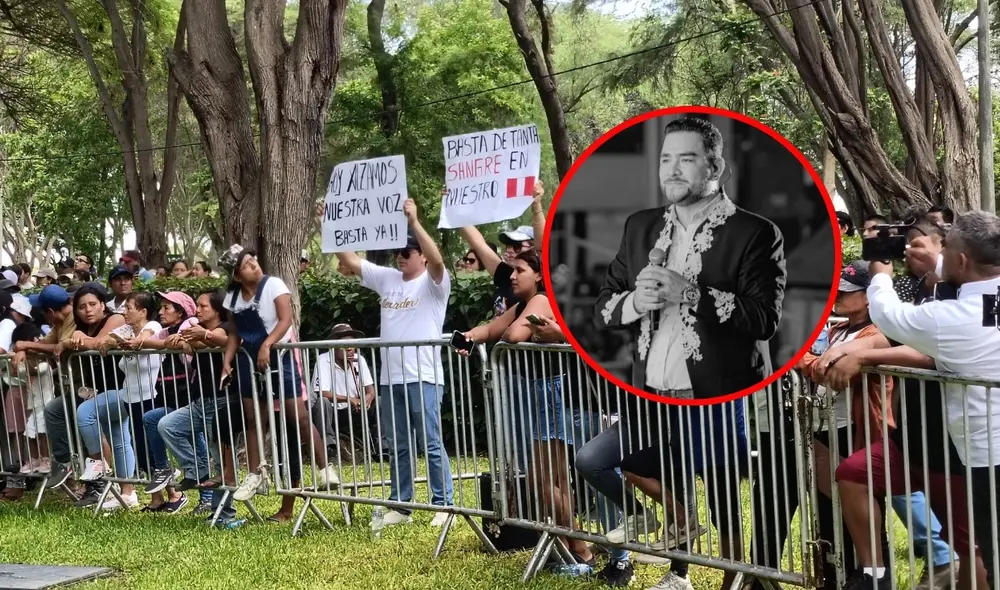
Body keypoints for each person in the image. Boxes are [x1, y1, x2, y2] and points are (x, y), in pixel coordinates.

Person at [826, 211, 1000, 590]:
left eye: (947, 248)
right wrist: (938, 261)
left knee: (987, 553)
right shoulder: (983, 302)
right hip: (956, 446)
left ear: (962, 260)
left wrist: (881, 270)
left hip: (984, 455)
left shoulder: (952, 317)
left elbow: (888, 315)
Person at [594, 116, 786, 401]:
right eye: (665, 159)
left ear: (715, 167)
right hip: (646, 398)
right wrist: (635, 301)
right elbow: (601, 309)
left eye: (686, 160)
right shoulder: (639, 226)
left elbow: (764, 320)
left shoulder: (756, 232)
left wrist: (690, 293)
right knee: (592, 450)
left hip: (719, 400)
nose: (672, 171)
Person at [334, 198, 453, 528]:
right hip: (391, 378)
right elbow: (349, 260)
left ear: (422, 255)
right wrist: (331, 224)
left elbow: (440, 261)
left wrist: (414, 222)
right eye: (398, 251)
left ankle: (445, 504)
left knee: (430, 442)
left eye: (409, 251)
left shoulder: (434, 283)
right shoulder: (387, 278)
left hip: (424, 376)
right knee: (398, 444)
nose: (401, 255)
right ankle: (401, 506)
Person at [217, 246, 338, 514]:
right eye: (247, 264)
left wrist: (268, 345)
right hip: (249, 361)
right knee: (253, 420)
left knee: (299, 415)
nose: (254, 265)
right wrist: (227, 360)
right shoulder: (233, 299)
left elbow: (286, 320)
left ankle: (324, 468)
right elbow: (234, 334)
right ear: (237, 276)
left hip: (280, 357)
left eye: (253, 260)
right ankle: (256, 472)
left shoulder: (274, 284)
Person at [159, 289, 245, 529]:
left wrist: (200, 335)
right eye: (197, 305)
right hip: (199, 403)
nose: (197, 310)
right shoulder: (198, 330)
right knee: (168, 426)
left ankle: (224, 514)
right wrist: (179, 341)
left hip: (222, 402)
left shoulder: (227, 327)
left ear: (217, 310)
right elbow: (178, 340)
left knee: (222, 460)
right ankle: (196, 470)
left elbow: (223, 339)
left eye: (203, 306)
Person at [75, 291, 164, 511]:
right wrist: (106, 341)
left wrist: (134, 342)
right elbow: (104, 340)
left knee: (151, 450)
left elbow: (147, 337)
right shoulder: (126, 329)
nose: (123, 312)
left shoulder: (152, 325)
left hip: (149, 397)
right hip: (128, 397)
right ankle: (129, 494)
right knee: (124, 441)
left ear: (142, 311)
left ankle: (99, 463)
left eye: (129, 308)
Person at [40, 283, 125, 507]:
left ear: (102, 305)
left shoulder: (115, 319)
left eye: (92, 304)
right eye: (81, 306)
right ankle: (66, 461)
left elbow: (99, 344)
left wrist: (70, 341)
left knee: (90, 418)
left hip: (120, 389)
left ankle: (104, 483)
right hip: (92, 390)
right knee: (54, 410)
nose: (87, 310)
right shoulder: (80, 328)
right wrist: (73, 337)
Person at [139, 291, 208, 514]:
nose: (161, 311)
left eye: (167, 307)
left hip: (194, 398)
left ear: (180, 311)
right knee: (151, 418)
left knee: (197, 441)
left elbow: (195, 336)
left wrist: (182, 341)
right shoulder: (168, 332)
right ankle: (163, 469)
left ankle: (207, 495)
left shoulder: (190, 323)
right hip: (174, 400)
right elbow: (151, 341)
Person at [455, 181, 545, 315]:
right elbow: (479, 244)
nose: (509, 250)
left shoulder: (544, 283)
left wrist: (536, 206)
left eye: (516, 246)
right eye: (508, 245)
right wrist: (455, 207)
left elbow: (543, 247)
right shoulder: (507, 275)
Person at [310, 323, 381, 462]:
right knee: (321, 403)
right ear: (334, 346)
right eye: (344, 344)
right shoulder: (323, 359)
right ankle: (330, 447)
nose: (349, 348)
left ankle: (381, 448)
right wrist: (349, 399)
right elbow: (323, 393)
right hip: (334, 410)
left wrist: (368, 397)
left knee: (379, 401)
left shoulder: (359, 360)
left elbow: (370, 390)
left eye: (352, 343)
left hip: (354, 409)